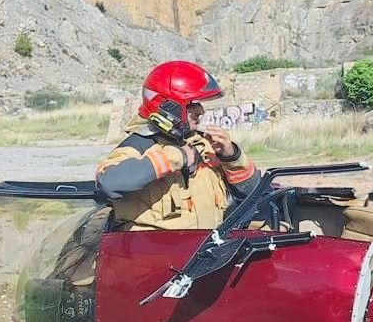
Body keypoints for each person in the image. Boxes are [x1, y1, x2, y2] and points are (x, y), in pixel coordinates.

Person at [96, 60, 262, 230]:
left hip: (206, 249)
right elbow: (109, 183)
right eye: (191, 105)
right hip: (156, 253)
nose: (200, 111)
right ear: (168, 107)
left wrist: (231, 157)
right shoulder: (137, 146)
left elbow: (254, 193)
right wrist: (177, 157)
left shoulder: (203, 144)